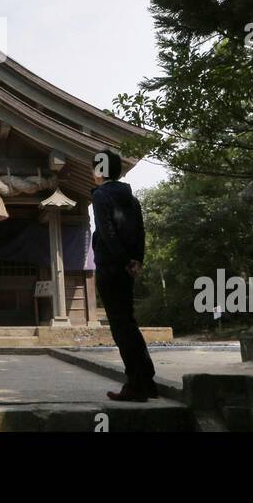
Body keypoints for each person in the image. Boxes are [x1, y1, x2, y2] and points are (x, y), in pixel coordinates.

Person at [91, 149, 157, 402]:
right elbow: (140, 231)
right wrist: (136, 260)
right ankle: (146, 380)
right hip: (128, 267)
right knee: (129, 323)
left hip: (110, 266)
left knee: (120, 327)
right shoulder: (131, 197)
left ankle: (136, 385)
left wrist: (120, 259)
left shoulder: (100, 196)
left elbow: (107, 232)